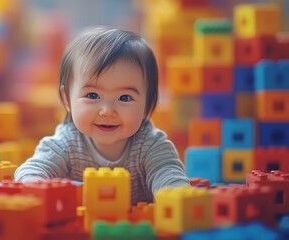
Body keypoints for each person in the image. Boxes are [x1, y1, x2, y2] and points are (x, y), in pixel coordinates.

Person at [14, 26, 189, 204]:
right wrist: (35, 187)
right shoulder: (66, 144)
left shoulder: (151, 145)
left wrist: (177, 197)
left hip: (135, 229)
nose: (107, 111)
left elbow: (169, 175)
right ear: (67, 100)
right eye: (92, 96)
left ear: (146, 105)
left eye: (124, 97)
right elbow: (33, 170)